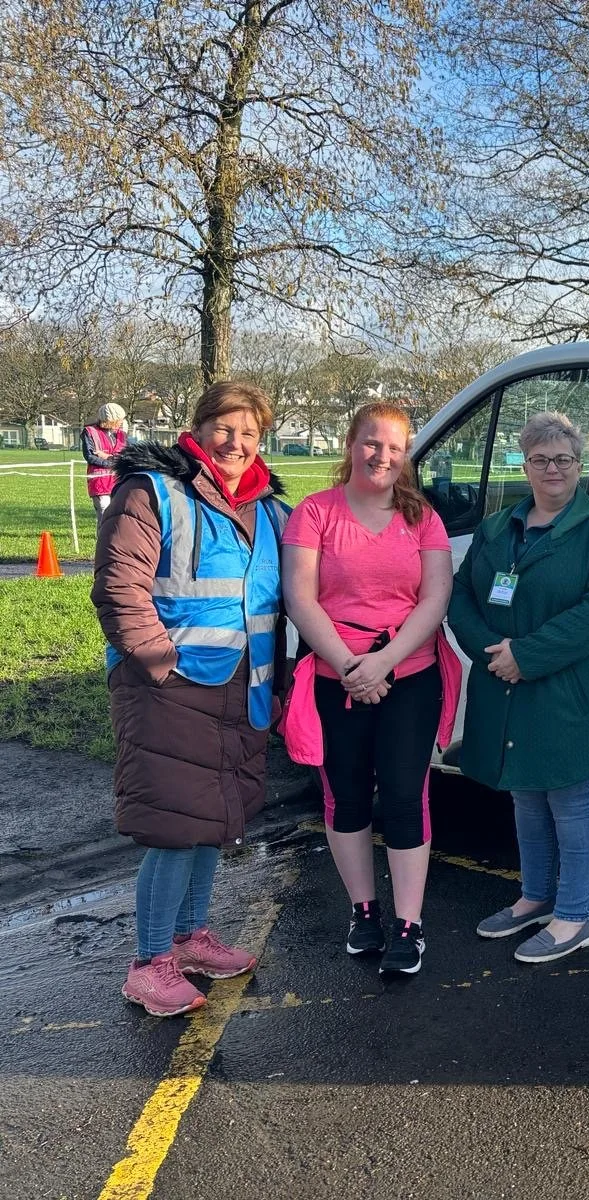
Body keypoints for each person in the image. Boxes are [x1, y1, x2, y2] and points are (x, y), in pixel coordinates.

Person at [91, 381, 291, 1017]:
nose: (235, 444)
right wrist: (160, 668)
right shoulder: (152, 492)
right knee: (175, 830)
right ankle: (150, 961)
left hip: (242, 687)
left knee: (212, 822)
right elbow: (121, 588)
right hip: (170, 689)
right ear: (199, 428)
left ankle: (189, 938)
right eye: (224, 429)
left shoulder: (270, 511)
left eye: (249, 434)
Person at [448, 412, 589, 964]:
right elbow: (461, 596)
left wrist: (525, 656)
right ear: (523, 464)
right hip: (507, 685)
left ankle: (576, 915)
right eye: (540, 459)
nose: (553, 469)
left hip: (570, 688)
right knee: (527, 797)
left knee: (574, 801)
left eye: (565, 460)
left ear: (580, 465)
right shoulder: (498, 527)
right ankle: (536, 896)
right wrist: (493, 652)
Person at [281, 403, 453, 975]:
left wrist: (384, 663)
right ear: (350, 444)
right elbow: (300, 598)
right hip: (337, 675)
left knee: (405, 795)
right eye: (372, 444)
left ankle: (409, 923)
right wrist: (351, 665)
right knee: (347, 797)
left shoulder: (421, 517)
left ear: (406, 456)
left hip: (408, 675)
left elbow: (434, 600)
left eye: (395, 448)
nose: (382, 456)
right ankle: (364, 911)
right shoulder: (314, 513)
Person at [82, 403, 129, 524]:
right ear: (111, 419)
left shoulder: (121, 435)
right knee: (104, 514)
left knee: (118, 516)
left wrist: (108, 457)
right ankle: (103, 542)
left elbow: (125, 457)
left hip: (118, 481)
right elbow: (90, 457)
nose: (121, 422)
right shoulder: (90, 432)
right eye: (119, 419)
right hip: (100, 481)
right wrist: (115, 462)